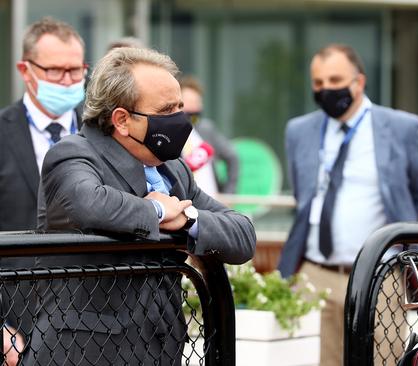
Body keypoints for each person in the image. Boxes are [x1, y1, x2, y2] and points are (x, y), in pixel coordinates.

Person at [30, 47, 256, 364]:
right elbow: (90, 202)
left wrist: (188, 219)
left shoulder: (173, 168)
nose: (181, 120)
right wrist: (159, 211)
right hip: (86, 354)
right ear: (122, 120)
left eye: (181, 108)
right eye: (167, 111)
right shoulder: (72, 154)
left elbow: (243, 234)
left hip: (162, 350)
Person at [277, 43, 418, 365]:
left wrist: (397, 234)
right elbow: (304, 195)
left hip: (380, 275)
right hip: (316, 275)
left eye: (335, 80)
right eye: (318, 83)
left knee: (381, 361)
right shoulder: (299, 130)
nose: (326, 89)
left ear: (359, 82)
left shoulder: (402, 127)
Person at [0, 17, 85, 232]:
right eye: (55, 70)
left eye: (75, 70)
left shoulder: (102, 130)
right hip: (17, 264)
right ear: (25, 71)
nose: (67, 81)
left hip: (90, 263)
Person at [180, 76, 240, 195]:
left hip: (212, 202)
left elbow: (232, 157)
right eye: (189, 102)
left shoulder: (207, 129)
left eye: (197, 102)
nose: (194, 107)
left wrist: (229, 194)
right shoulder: (170, 134)